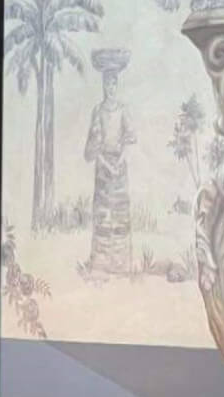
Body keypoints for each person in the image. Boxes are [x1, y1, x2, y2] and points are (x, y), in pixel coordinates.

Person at [85, 50, 135, 274]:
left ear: (118, 85)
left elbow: (129, 140)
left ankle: (121, 263)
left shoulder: (124, 110)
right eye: (107, 84)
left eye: (114, 83)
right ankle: (102, 263)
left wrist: (120, 161)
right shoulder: (98, 111)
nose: (111, 88)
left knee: (120, 214)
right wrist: (106, 164)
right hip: (104, 169)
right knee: (104, 215)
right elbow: (93, 146)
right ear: (103, 86)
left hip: (120, 168)